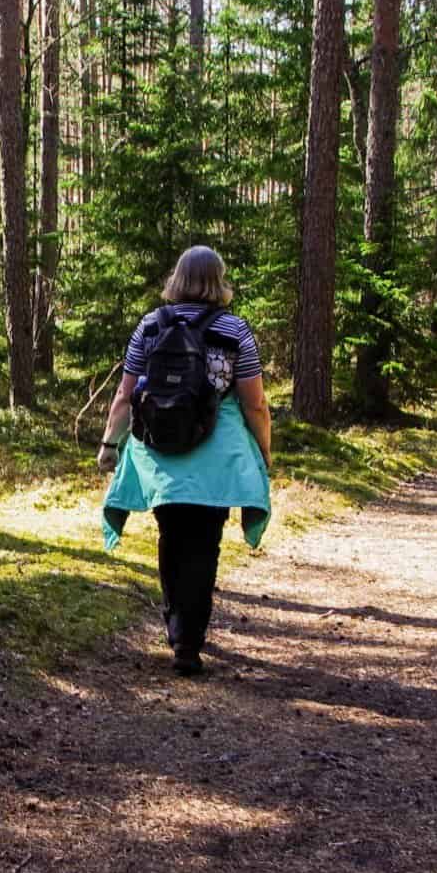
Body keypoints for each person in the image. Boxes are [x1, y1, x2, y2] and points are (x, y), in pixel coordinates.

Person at [97, 245, 273, 676]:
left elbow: (126, 392)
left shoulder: (150, 326)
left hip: (160, 449)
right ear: (219, 280)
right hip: (217, 454)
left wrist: (110, 444)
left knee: (171, 537)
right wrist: (263, 453)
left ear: (177, 278)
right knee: (204, 544)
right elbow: (254, 404)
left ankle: (177, 629)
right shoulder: (235, 330)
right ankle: (189, 642)